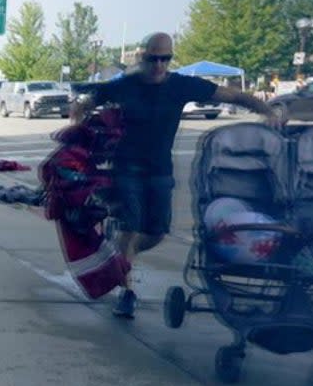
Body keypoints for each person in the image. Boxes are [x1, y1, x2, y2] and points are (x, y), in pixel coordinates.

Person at [71, 32, 282, 319]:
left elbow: (231, 95)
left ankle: (123, 251)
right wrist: (79, 119)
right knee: (131, 225)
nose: (159, 65)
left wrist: (266, 109)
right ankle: (126, 291)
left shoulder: (181, 86)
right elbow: (89, 100)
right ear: (141, 56)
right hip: (127, 166)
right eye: (153, 58)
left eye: (165, 59)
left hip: (159, 168)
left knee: (157, 232)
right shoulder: (126, 85)